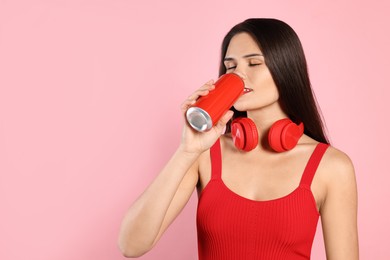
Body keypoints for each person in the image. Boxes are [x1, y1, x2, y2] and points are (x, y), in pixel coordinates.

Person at [118, 18, 359, 259]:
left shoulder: (332, 167)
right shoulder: (205, 153)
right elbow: (131, 245)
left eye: (254, 63)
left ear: (285, 68)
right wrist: (186, 151)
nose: (239, 75)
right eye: (230, 67)